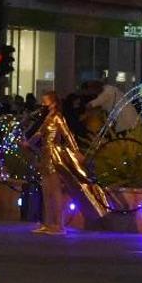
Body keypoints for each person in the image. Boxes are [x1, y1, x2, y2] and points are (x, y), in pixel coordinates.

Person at [25, 91, 112, 233]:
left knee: (54, 190)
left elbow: (67, 134)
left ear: (53, 103)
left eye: (45, 101)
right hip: (45, 155)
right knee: (46, 190)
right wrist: (28, 143)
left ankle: (58, 225)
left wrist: (76, 151)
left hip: (53, 155)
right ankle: (48, 223)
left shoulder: (57, 117)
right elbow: (39, 134)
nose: (42, 104)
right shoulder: (47, 118)